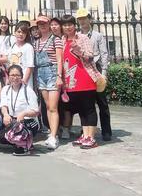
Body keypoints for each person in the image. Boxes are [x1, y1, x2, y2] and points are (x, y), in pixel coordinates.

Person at [61, 15, 99, 149]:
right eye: (65, 25)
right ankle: (85, 135)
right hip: (71, 81)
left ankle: (91, 137)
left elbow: (90, 56)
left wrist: (79, 50)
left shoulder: (82, 38)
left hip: (85, 78)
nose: (67, 27)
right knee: (81, 109)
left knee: (89, 109)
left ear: (74, 25)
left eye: (70, 24)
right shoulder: (62, 40)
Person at [76, 8, 112, 141]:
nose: (82, 21)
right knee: (85, 103)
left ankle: (106, 131)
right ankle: (85, 130)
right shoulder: (77, 35)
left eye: (84, 18)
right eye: (80, 19)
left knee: (102, 102)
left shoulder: (98, 36)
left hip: (96, 68)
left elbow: (104, 55)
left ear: (89, 19)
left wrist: (104, 73)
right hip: (83, 70)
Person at [33, 15, 63, 150]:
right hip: (41, 73)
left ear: (49, 24)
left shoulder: (56, 40)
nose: (42, 26)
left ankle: (54, 135)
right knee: (47, 105)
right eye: (39, 24)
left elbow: (59, 59)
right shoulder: (36, 42)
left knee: (53, 107)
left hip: (52, 72)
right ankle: (52, 132)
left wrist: (59, 76)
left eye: (44, 23)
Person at [0, 65, 40, 156]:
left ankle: (24, 145)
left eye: (17, 75)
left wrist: (24, 113)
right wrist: (6, 115)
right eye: (12, 75)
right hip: (13, 121)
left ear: (21, 76)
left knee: (19, 130)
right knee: (1, 137)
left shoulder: (28, 90)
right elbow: (3, 106)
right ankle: (21, 143)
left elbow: (36, 111)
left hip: (28, 121)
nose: (15, 78)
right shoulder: (5, 90)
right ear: (8, 76)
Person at [6, 22, 35, 90]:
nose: (21, 34)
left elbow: (30, 67)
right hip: (13, 80)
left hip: (24, 81)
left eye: (23, 32)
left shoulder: (28, 47)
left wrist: (24, 81)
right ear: (15, 32)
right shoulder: (12, 47)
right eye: (19, 32)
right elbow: (9, 64)